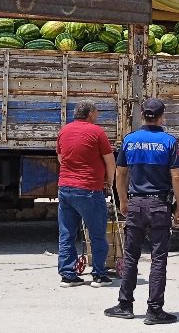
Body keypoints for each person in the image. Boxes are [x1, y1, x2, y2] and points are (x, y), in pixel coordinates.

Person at [105, 99, 179, 324]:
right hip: (159, 205)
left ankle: (125, 305)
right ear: (162, 116)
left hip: (136, 204)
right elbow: (176, 176)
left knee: (131, 256)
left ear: (142, 115)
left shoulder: (130, 140)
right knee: (159, 259)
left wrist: (122, 200)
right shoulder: (169, 142)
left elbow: (120, 174)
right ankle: (154, 310)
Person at [56, 101, 116, 288]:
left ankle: (68, 275)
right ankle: (99, 275)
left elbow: (60, 157)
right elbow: (110, 161)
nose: (98, 115)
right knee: (97, 233)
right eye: (96, 112)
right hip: (89, 189)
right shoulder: (97, 132)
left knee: (66, 234)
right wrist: (109, 182)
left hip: (65, 188)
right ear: (90, 114)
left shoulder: (63, 131)